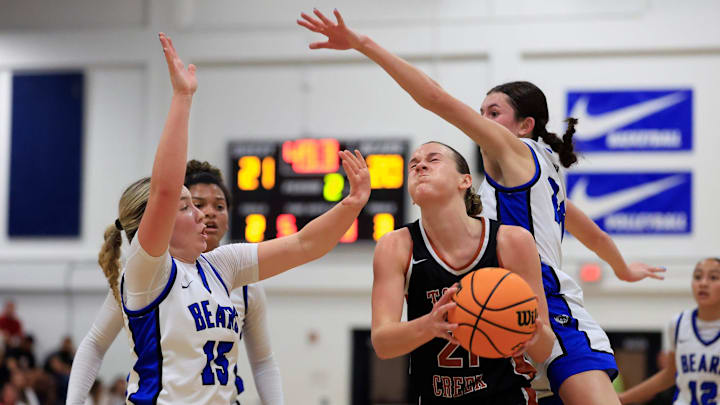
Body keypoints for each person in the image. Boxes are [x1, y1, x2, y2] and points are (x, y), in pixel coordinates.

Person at [296, 9, 664, 405]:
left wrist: (363, 44)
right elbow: (589, 230)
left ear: (524, 126)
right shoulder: (524, 178)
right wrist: (622, 268)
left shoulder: (518, 154)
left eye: (493, 114)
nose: (482, 121)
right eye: (482, 112)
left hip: (544, 310)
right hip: (497, 311)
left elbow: (433, 98)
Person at [88, 33, 369, 405]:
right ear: (157, 225)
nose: (202, 213)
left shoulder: (222, 265)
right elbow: (165, 191)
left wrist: (353, 202)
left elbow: (305, 244)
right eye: (188, 206)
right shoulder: (146, 271)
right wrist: (183, 99)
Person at [67, 160, 285, 405]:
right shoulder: (150, 274)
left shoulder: (244, 283)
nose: (208, 212)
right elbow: (95, 342)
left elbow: (264, 362)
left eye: (220, 206)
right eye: (196, 204)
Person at [369, 140, 555, 404]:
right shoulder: (396, 246)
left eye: (433, 160)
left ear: (465, 180)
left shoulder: (511, 241)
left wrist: (530, 331)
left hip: (507, 397)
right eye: (413, 165)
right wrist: (430, 325)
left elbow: (544, 347)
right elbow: (383, 344)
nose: (420, 165)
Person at [619, 257, 720, 405]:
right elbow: (670, 374)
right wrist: (622, 398)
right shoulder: (678, 324)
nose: (703, 283)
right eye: (698, 277)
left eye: (713, 277)